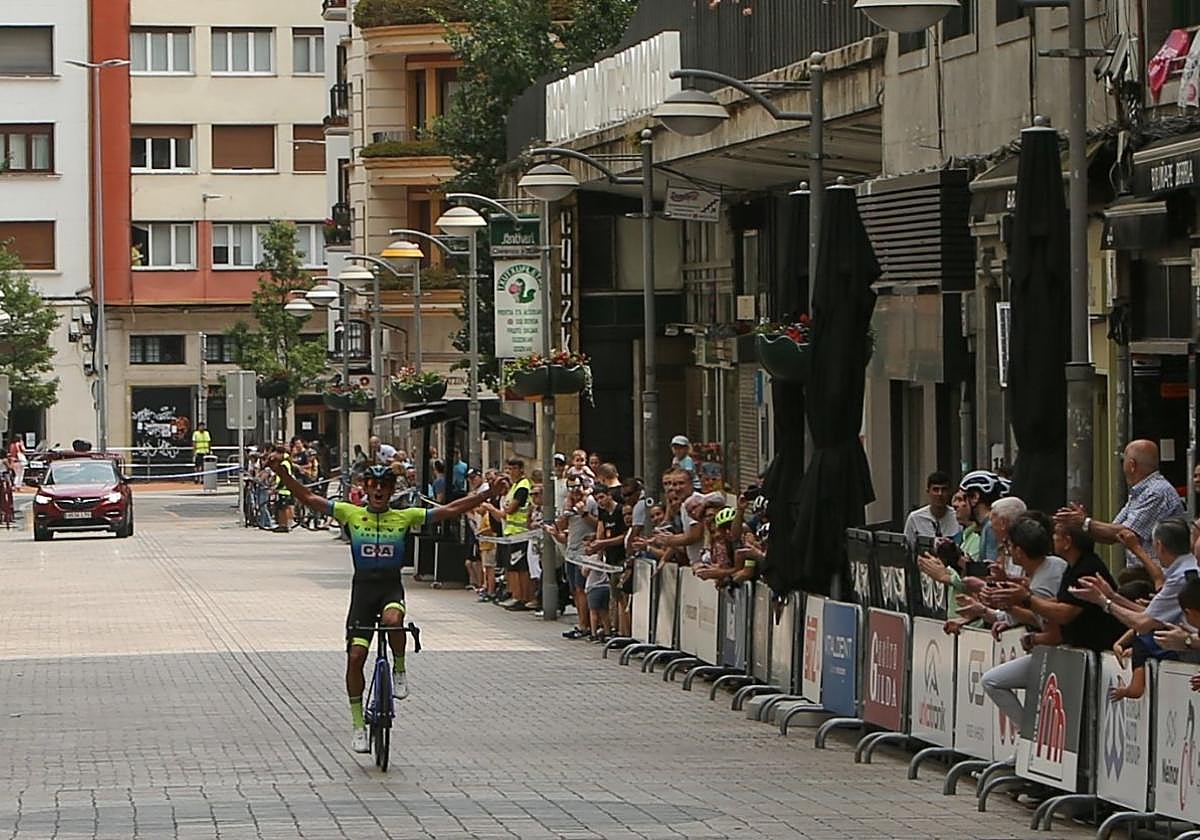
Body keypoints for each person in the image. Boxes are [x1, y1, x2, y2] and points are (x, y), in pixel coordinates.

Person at [265, 454, 507, 753]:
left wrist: (488, 494)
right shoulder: (351, 513)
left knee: (394, 622)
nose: (378, 490)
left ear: (392, 490)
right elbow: (308, 496)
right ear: (365, 488)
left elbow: (450, 509)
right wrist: (283, 473)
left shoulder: (405, 516)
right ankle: (357, 726)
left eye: (385, 485)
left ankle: (400, 669)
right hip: (362, 593)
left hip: (391, 589)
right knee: (355, 658)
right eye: (373, 485)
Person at [972, 515, 1067, 744]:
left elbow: (1046, 626)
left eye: (1009, 547)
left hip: (1059, 653)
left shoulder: (1042, 585)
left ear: (1019, 552)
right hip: (1056, 650)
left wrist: (1030, 638)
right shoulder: (1054, 564)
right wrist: (1007, 591)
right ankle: (1029, 737)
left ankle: (1030, 738)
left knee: (992, 681)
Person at [1055, 439, 1184, 569]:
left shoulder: (1156, 492)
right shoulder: (1140, 492)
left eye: (1123, 460)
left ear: (1132, 465)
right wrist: (1083, 524)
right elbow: (1112, 534)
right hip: (1141, 573)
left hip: (1160, 575)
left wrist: (1085, 522)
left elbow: (1126, 533)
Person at [496, 458, 534, 610]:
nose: (510, 472)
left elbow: (511, 509)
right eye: (508, 469)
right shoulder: (514, 486)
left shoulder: (523, 486)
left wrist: (503, 510)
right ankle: (516, 595)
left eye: (513, 469)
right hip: (511, 533)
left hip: (521, 533)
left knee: (521, 568)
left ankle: (523, 598)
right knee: (512, 567)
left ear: (520, 469)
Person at [903, 470, 960, 547]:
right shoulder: (915, 518)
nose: (940, 494)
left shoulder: (958, 516)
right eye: (936, 490)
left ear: (950, 492)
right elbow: (907, 547)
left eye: (944, 490)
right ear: (928, 492)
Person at [272, 445, 296, 532]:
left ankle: (284, 525)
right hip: (284, 488)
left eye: (276, 453)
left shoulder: (284, 463)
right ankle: (282, 524)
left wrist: (277, 488)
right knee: (281, 508)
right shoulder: (285, 462)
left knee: (284, 508)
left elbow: (284, 477)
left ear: (280, 454)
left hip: (284, 489)